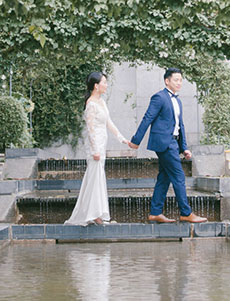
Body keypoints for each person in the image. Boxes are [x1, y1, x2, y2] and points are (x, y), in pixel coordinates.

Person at [128, 68, 207, 223]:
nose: (179, 83)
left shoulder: (177, 100)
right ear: (167, 81)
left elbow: (180, 125)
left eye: (181, 80)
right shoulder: (159, 97)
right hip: (164, 143)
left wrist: (184, 148)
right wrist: (136, 141)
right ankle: (185, 212)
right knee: (179, 176)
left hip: (174, 143)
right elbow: (147, 118)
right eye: (176, 80)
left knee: (164, 178)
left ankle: (155, 212)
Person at [65, 72, 130, 225]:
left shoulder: (101, 102)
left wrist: (122, 139)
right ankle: (93, 214)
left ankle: (97, 212)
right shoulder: (91, 104)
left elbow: (109, 123)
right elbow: (90, 129)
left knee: (98, 177)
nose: (106, 85)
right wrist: (95, 150)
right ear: (96, 85)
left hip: (102, 142)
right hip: (95, 146)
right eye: (104, 82)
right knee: (94, 177)